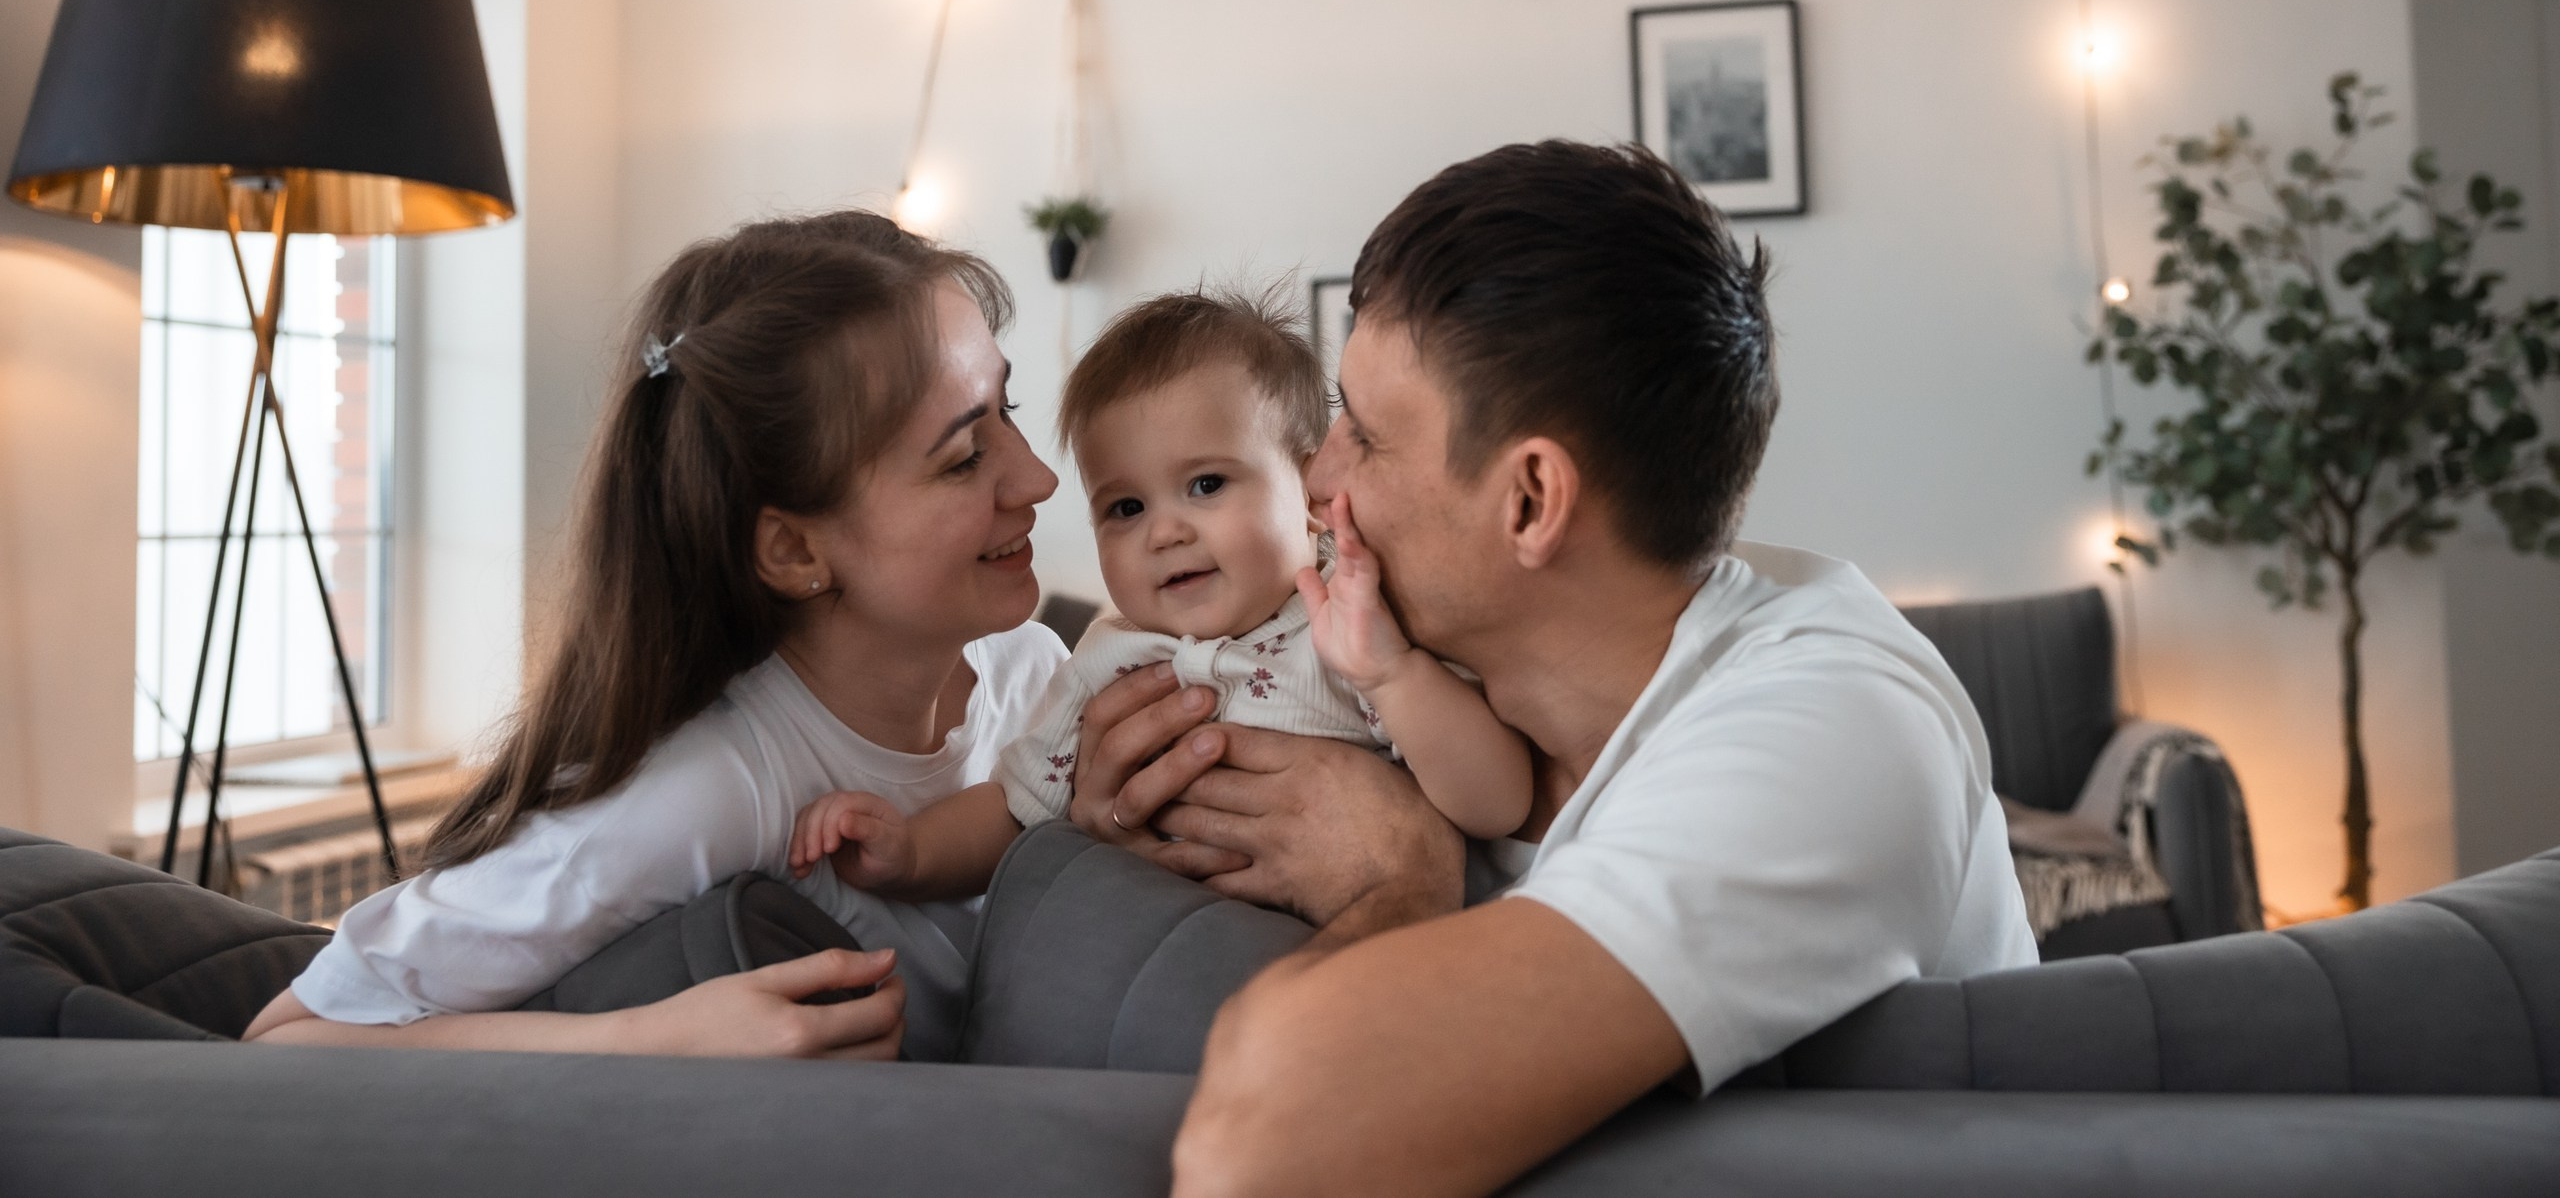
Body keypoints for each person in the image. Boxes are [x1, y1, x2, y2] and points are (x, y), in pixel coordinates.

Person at [1070, 141, 2038, 1198]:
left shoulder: (1837, 729)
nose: (1316, 474)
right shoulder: (1394, 670)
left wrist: (1405, 874)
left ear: (1530, 500)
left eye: (1365, 433)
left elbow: (1264, 1139)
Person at [241, 210, 1076, 1059]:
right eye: (965, 456)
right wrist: (648, 1042)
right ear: (793, 549)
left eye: (1007, 406)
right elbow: (292, 1039)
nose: (1039, 478)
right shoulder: (705, 792)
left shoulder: (1038, 676)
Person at [789, 289, 1531, 905]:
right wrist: (912, 851)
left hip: (1337, 957)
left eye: (1207, 485)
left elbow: (1496, 803)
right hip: (1164, 946)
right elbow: (1016, 810)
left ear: (1309, 492)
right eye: (1125, 508)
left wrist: (1393, 675)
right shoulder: (1109, 659)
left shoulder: (1346, 620)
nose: (1164, 533)